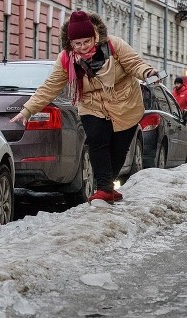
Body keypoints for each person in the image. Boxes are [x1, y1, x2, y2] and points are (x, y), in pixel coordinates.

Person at [10, 11, 158, 204]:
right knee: (97, 141)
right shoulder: (66, 59)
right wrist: (27, 110)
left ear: (94, 36)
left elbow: (134, 64)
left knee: (119, 149)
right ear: (70, 42)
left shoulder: (113, 45)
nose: (82, 47)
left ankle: (108, 185)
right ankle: (104, 189)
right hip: (91, 105)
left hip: (124, 103)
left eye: (86, 42)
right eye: (77, 44)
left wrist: (148, 72)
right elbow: (50, 86)